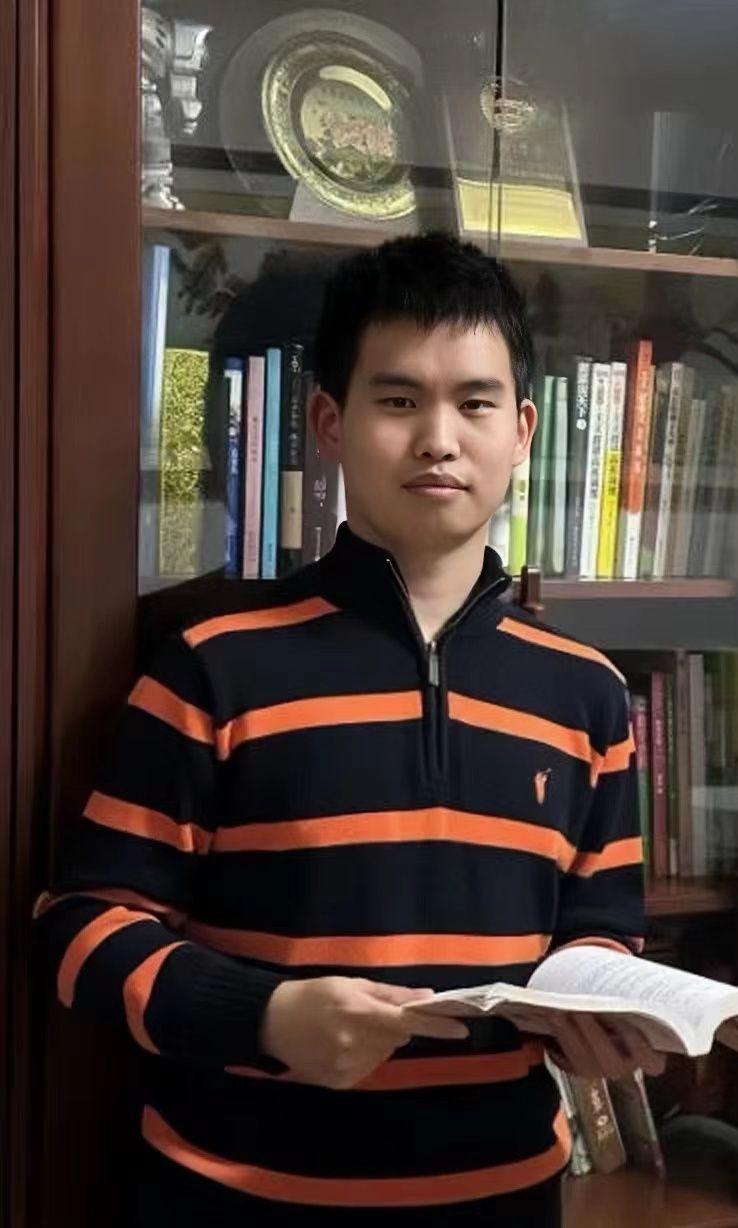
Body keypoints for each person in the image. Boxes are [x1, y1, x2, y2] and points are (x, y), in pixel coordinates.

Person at [35, 232, 661, 1227]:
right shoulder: (213, 666)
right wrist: (265, 1016)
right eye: (399, 400)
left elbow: (600, 930)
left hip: (505, 1196)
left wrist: (607, 1003)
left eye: (475, 403)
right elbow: (81, 930)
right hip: (233, 1199)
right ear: (329, 422)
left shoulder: (586, 693)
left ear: (523, 431)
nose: (439, 439)